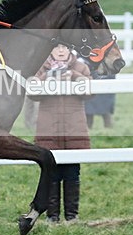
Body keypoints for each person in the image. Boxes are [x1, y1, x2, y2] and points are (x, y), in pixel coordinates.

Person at [31, 44, 91, 222]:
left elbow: (89, 92)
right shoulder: (41, 68)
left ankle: (72, 216)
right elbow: (32, 94)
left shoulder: (81, 67)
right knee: (51, 172)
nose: (60, 50)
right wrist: (46, 76)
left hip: (74, 127)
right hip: (48, 127)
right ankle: (52, 216)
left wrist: (73, 75)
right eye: (56, 47)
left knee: (72, 172)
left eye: (64, 47)